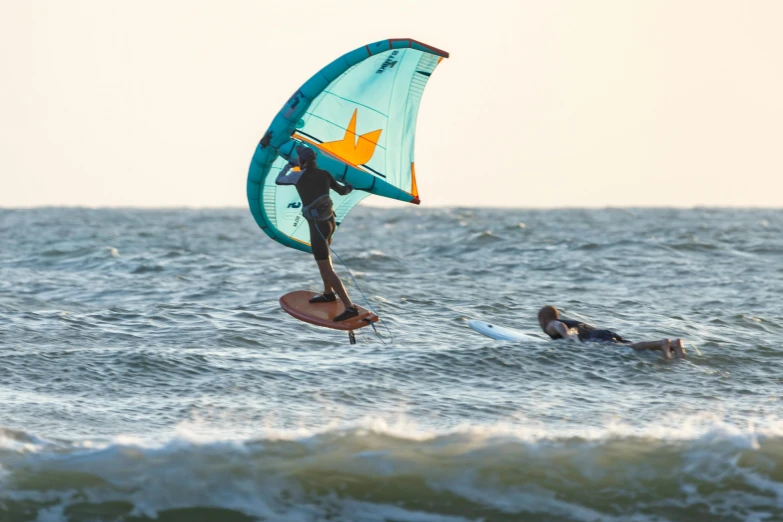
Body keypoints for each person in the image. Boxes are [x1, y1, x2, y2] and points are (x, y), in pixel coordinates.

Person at [276, 145, 359, 322]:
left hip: (317, 228)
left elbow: (279, 180)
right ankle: (328, 294)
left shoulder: (297, 176)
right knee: (325, 261)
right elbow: (343, 191)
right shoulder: (325, 174)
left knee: (326, 269)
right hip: (329, 223)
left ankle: (349, 307)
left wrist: (289, 166)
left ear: (302, 161)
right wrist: (350, 186)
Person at [537, 305, 686, 359]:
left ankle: (662, 343)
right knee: (634, 347)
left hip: (596, 338)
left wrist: (567, 336)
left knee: (632, 348)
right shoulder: (571, 322)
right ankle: (674, 345)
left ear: (542, 320)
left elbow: (558, 325)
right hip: (602, 333)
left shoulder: (551, 324)